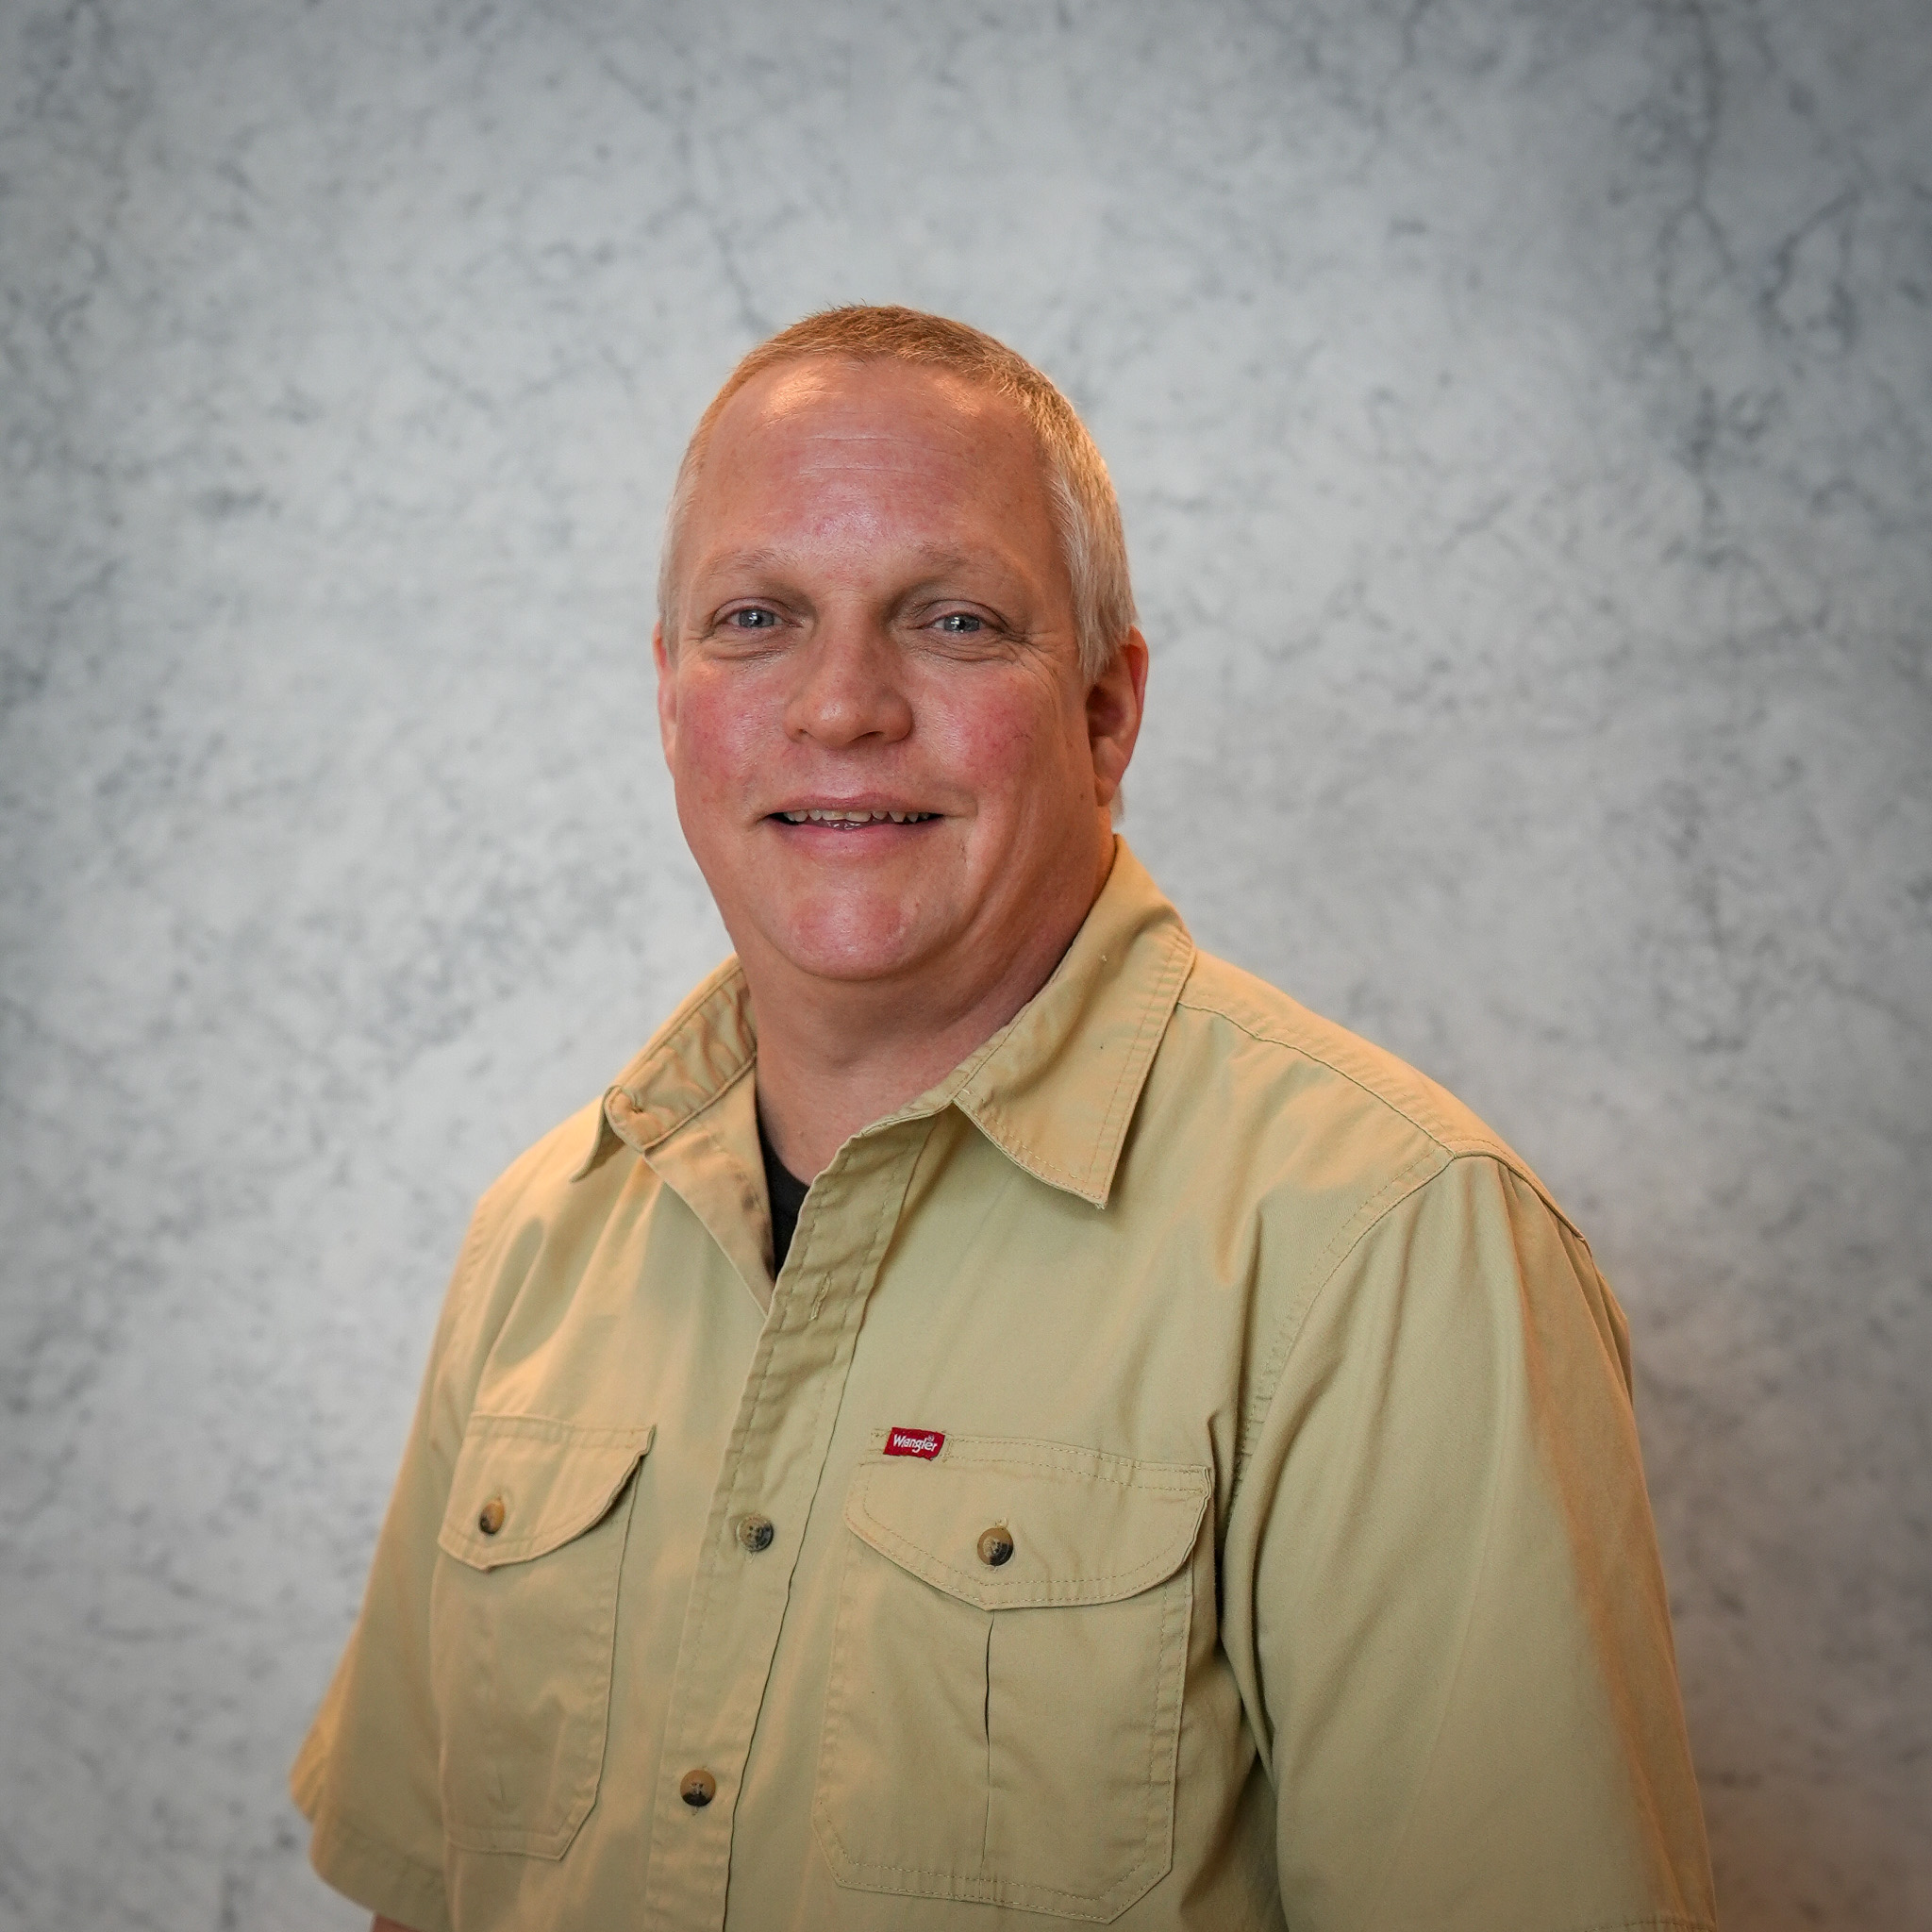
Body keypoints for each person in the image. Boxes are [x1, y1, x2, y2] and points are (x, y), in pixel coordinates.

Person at [292, 305, 1718, 1932]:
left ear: (1106, 716)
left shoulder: (1395, 1251)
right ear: (672, 698)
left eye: (953, 621)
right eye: (758, 618)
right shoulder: (541, 1237)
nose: (841, 707)